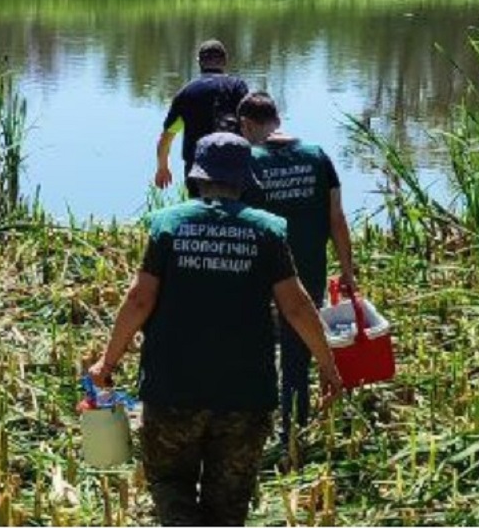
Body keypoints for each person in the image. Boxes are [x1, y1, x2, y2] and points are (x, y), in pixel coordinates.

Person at [89, 132, 344, 526]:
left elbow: (139, 300)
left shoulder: (169, 226)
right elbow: (296, 306)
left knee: (171, 485)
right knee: (228, 505)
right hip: (244, 396)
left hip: (173, 390)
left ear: (196, 177)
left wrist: (107, 363)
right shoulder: (266, 231)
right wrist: (328, 365)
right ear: (244, 181)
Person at [236, 91, 359, 449]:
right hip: (308, 270)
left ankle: (254, 423)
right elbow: (337, 218)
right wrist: (348, 271)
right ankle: (294, 427)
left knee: (254, 347)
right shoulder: (317, 157)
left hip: (259, 275)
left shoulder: (248, 161)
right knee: (298, 348)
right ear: (276, 119)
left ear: (246, 124)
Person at [154, 40, 249, 198]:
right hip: (233, 166)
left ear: (199, 62)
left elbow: (166, 137)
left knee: (200, 217)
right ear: (225, 60)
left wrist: (162, 167)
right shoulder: (238, 87)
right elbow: (253, 124)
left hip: (198, 171)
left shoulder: (186, 93)